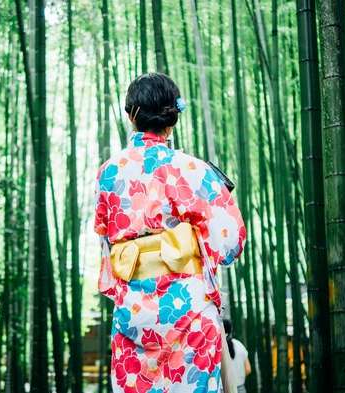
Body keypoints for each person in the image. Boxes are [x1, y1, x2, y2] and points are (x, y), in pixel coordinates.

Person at [94, 73, 246, 392]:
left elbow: (106, 241)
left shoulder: (108, 173)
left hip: (133, 313)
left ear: (131, 115)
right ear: (173, 117)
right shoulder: (192, 169)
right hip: (189, 309)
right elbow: (231, 241)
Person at [222, 319, 251, 393]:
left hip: (224, 390)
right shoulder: (239, 344)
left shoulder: (217, 348)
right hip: (240, 388)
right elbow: (248, 369)